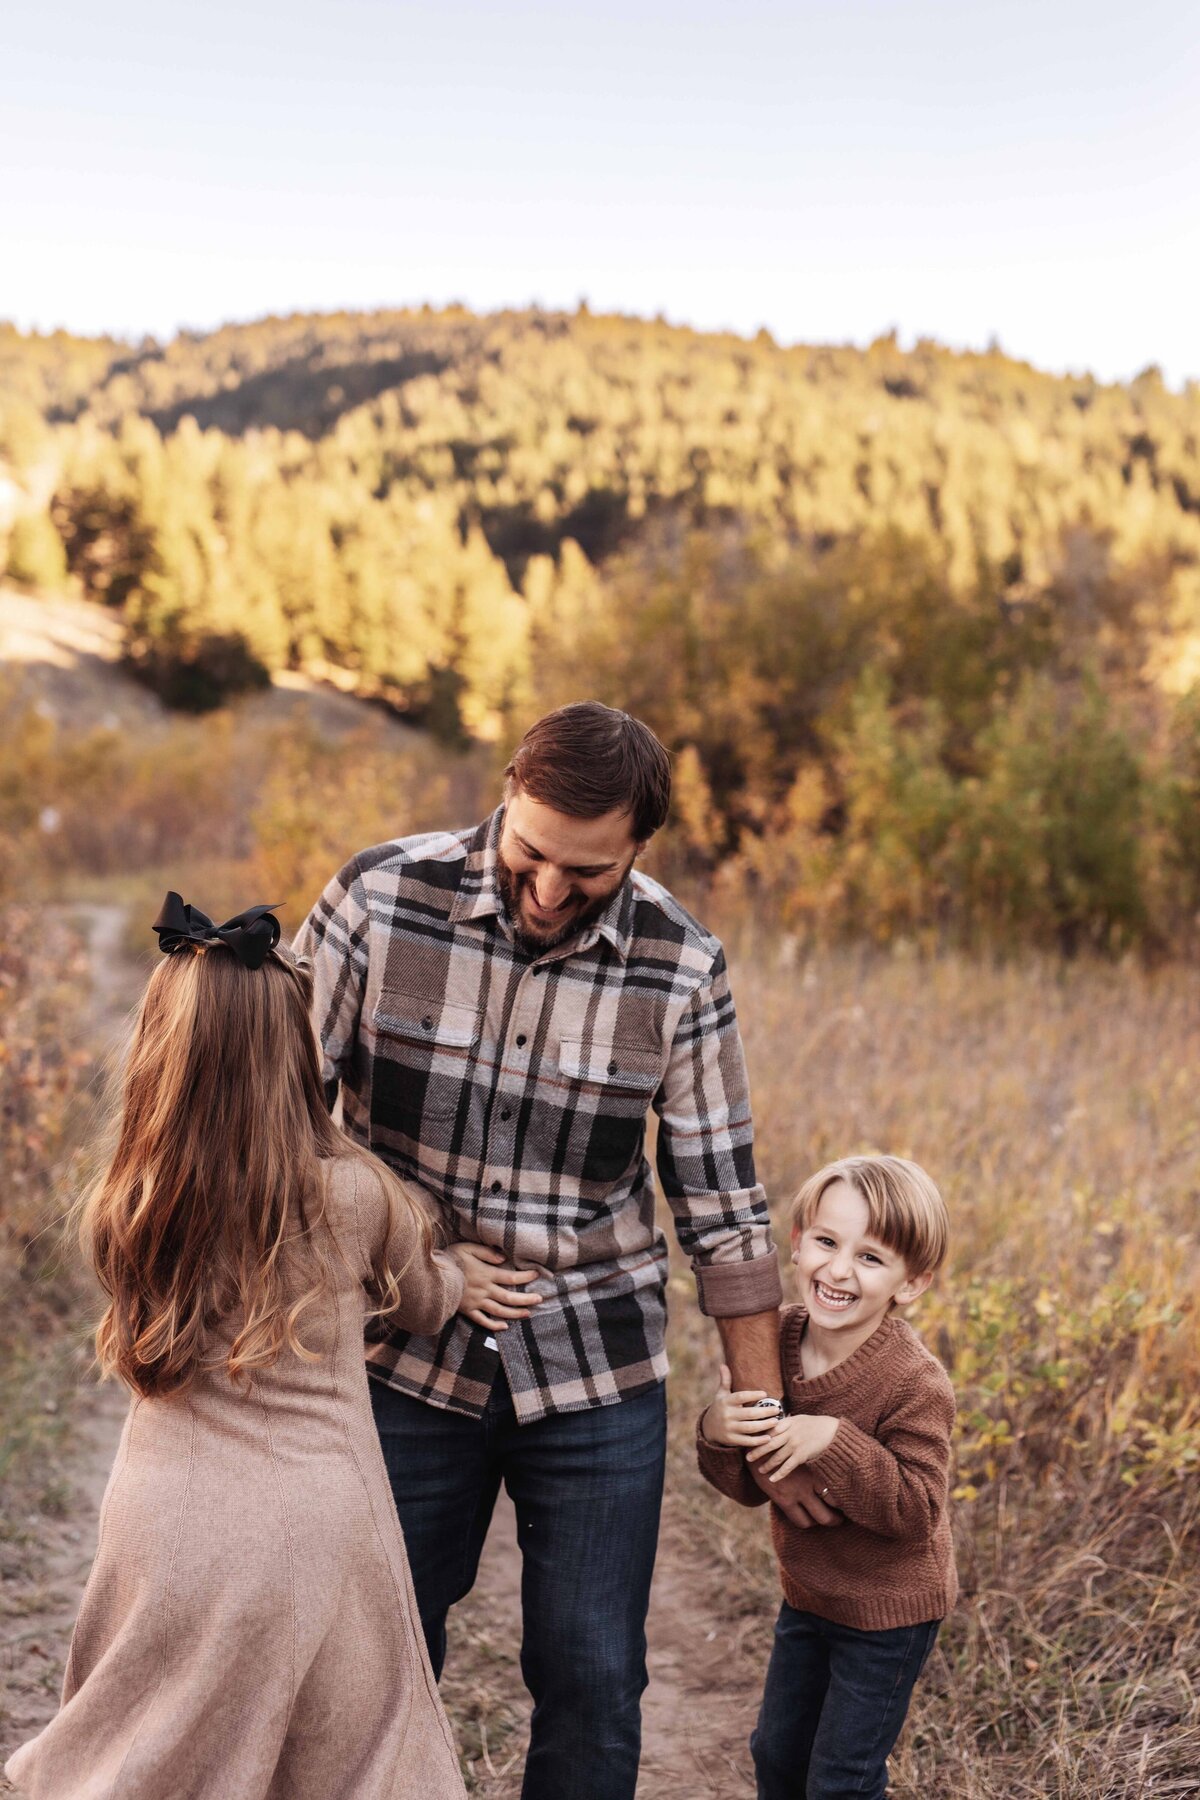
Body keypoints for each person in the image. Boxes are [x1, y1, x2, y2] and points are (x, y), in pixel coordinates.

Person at [295, 701, 836, 1800]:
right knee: (373, 1661)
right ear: (504, 792)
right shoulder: (378, 897)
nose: (547, 891)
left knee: (593, 1678)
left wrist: (763, 1419)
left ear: (639, 847)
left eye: (585, 873)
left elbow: (722, 1206)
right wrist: (409, 1266)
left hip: (596, 1368)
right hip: (398, 1355)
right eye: (531, 851)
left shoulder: (681, 964)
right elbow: (278, 1127)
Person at [5, 894, 467, 1800]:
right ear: (297, 1051)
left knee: (151, 1747)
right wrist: (460, 1276)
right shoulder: (356, 1196)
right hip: (309, 1523)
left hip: (158, 1520)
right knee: (350, 1756)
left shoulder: (130, 1199)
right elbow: (419, 1304)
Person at [698, 1154, 956, 1800]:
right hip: (810, 1598)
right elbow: (745, 1484)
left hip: (890, 1614)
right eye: (826, 1241)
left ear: (912, 1284)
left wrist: (834, 1440)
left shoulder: (914, 1381)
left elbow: (917, 1510)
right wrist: (716, 1430)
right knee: (777, 1755)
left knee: (842, 1779)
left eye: (871, 1258)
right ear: (797, 1242)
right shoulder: (772, 1341)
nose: (839, 1270)